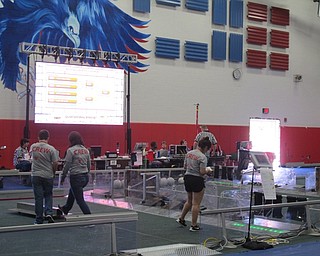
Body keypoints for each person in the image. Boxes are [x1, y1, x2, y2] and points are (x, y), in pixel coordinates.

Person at [176, 137, 213, 231]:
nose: (207, 151)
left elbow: (185, 166)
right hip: (197, 179)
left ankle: (181, 218)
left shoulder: (189, 153)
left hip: (187, 177)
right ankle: (194, 225)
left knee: (189, 201)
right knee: (196, 204)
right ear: (205, 147)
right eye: (208, 149)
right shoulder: (202, 157)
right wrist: (208, 170)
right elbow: (201, 171)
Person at [30, 130, 59, 224]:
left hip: (36, 175)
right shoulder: (51, 149)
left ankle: (39, 219)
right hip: (48, 175)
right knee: (48, 195)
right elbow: (55, 163)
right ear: (48, 138)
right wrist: (53, 172)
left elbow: (32, 157)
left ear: (38, 137)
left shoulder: (33, 146)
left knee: (38, 197)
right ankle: (49, 213)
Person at [59, 131, 91, 215]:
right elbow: (89, 165)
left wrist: (63, 177)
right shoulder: (86, 150)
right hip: (85, 177)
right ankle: (66, 208)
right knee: (73, 190)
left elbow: (67, 166)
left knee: (80, 200)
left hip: (76, 177)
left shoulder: (70, 150)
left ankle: (89, 217)